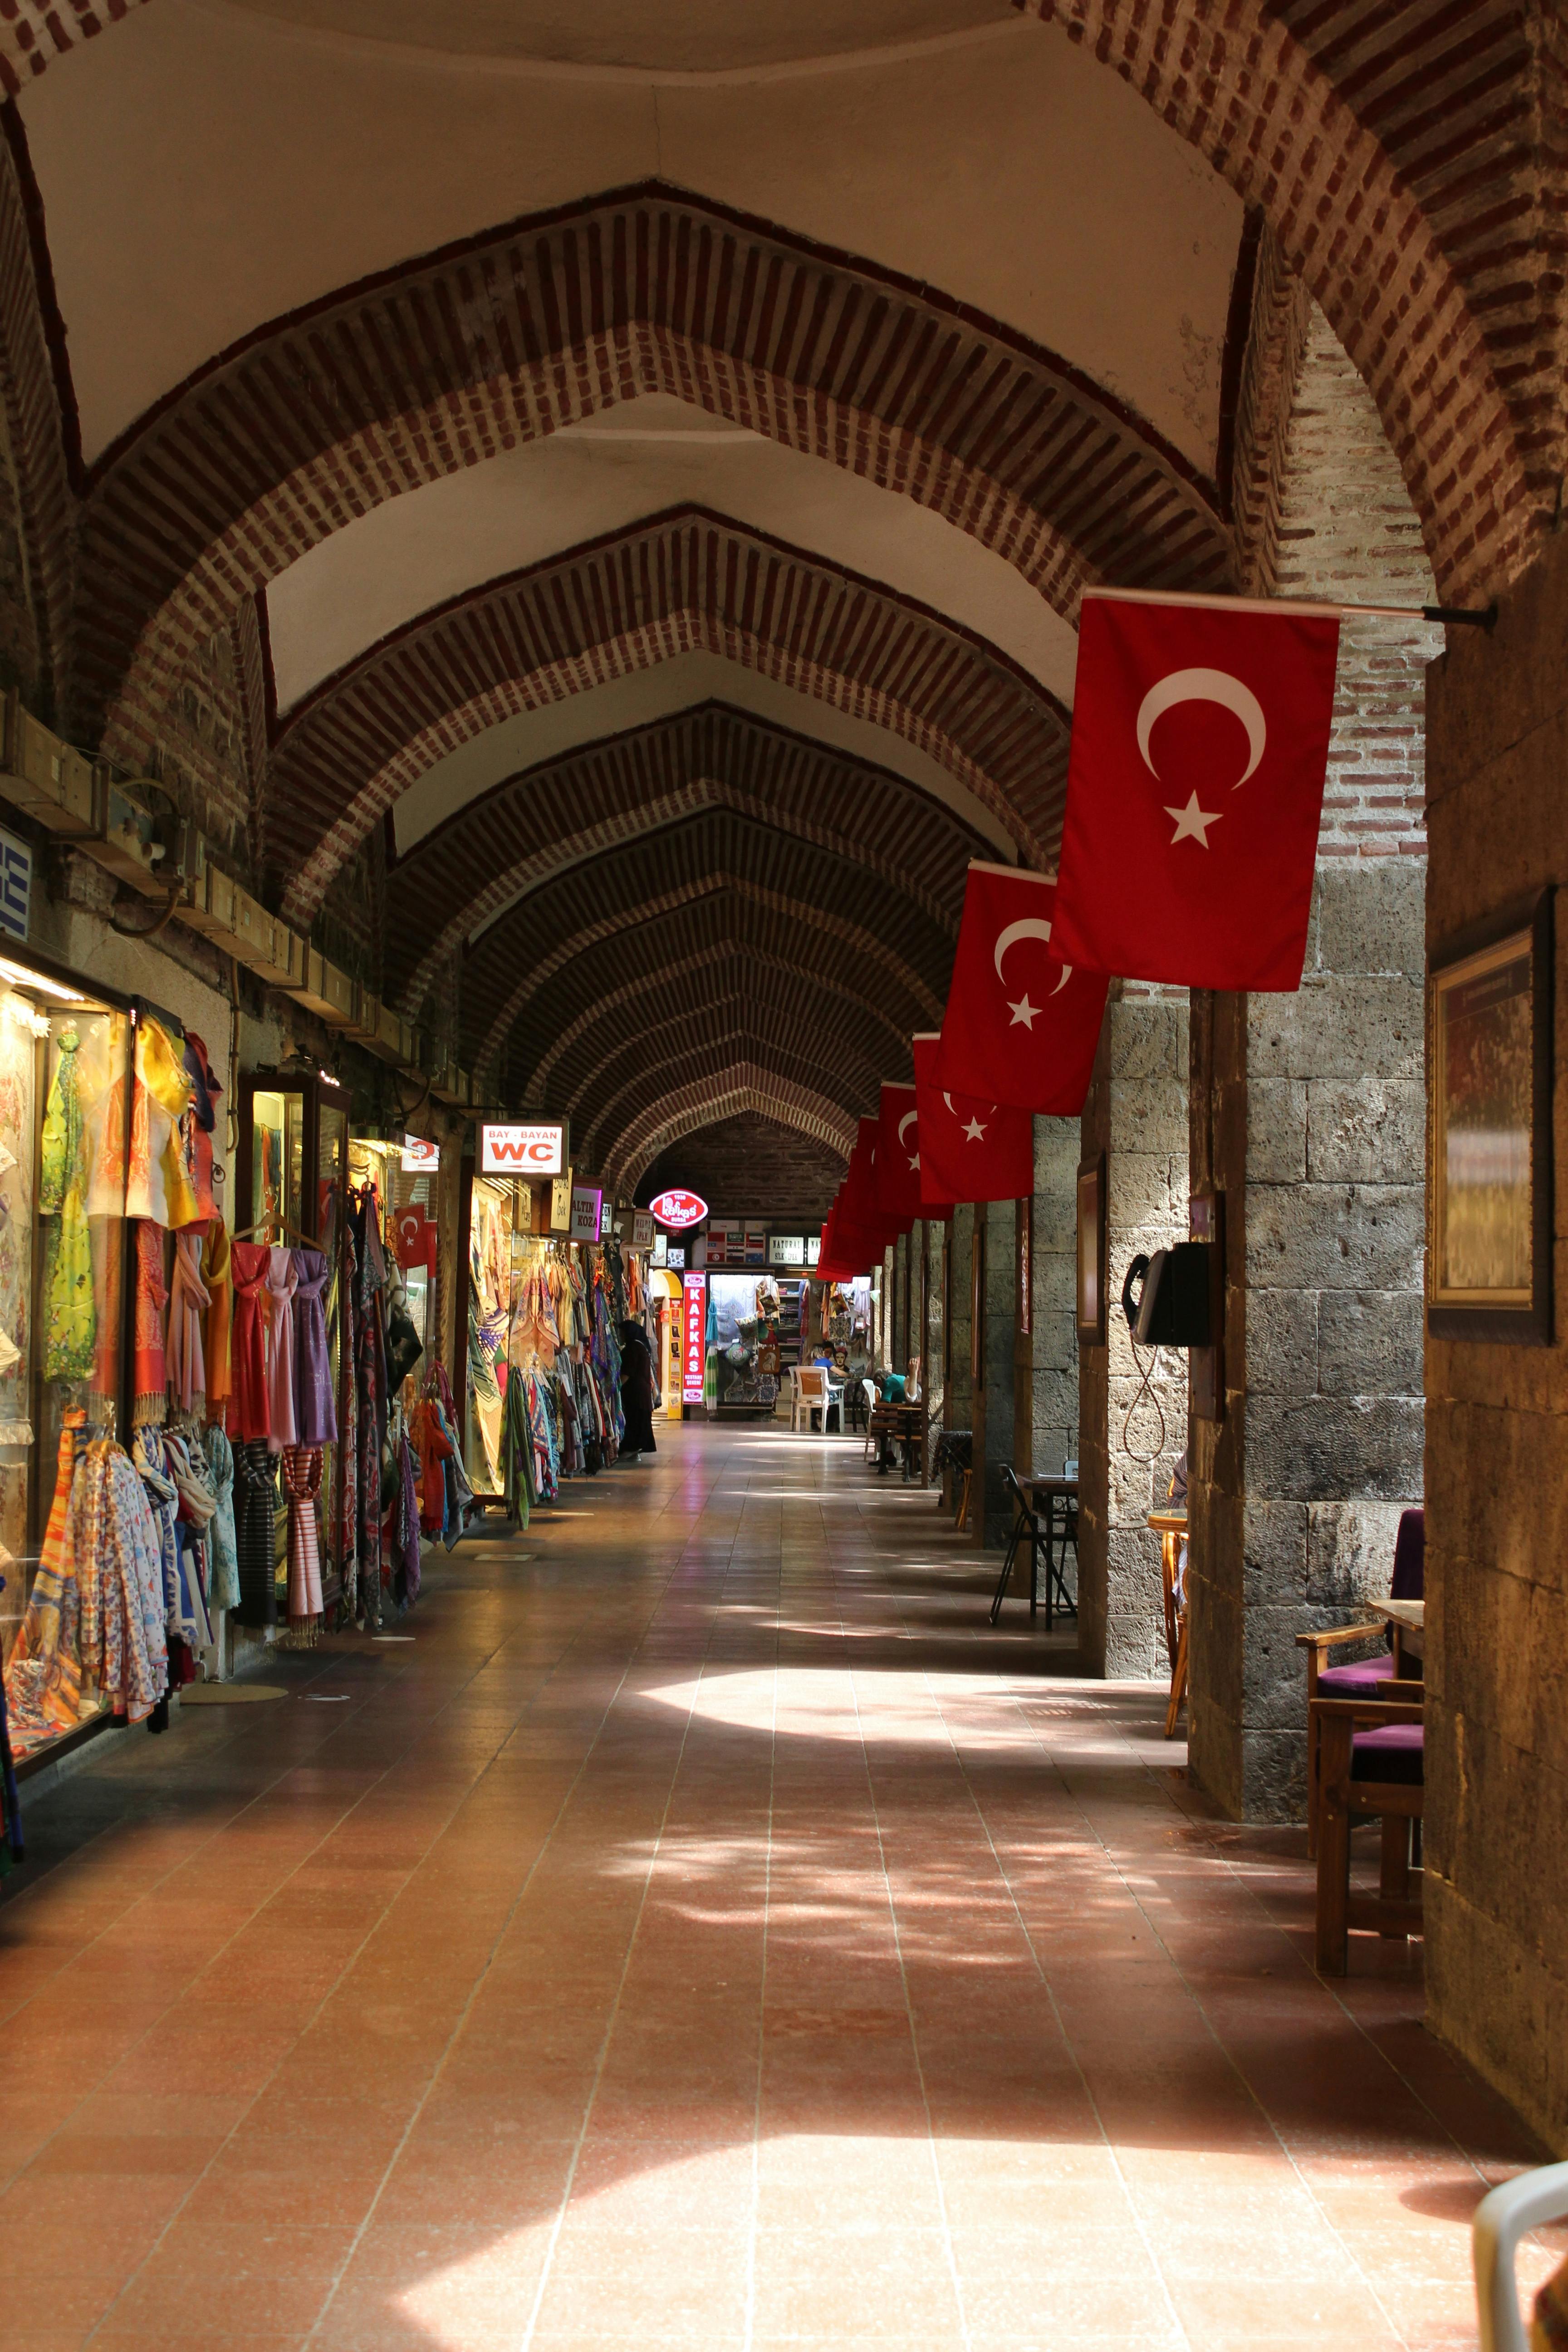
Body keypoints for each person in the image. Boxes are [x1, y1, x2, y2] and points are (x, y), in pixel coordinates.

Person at [617, 1318, 657, 1462]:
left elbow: (627, 1373)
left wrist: (616, 1388)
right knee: (640, 1422)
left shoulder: (632, 1349)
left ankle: (632, 1449)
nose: (621, 1336)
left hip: (635, 1395)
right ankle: (634, 1451)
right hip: (642, 1394)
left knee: (634, 1423)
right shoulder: (642, 1347)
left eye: (622, 1333)